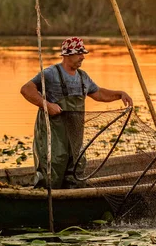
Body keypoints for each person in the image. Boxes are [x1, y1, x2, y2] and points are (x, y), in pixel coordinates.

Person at [20, 37, 133, 189]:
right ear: (67, 55)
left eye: (83, 53)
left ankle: (71, 197)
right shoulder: (50, 74)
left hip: (74, 134)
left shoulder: (83, 77)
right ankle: (48, 198)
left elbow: (98, 93)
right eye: (79, 53)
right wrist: (46, 105)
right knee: (53, 164)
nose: (83, 57)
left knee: (77, 164)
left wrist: (119, 94)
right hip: (53, 134)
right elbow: (26, 89)